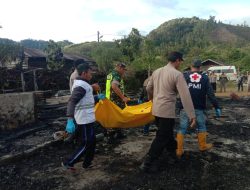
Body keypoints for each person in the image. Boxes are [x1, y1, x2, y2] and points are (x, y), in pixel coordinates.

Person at [140, 51, 196, 172]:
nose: (180, 63)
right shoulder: (177, 74)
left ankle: (173, 156)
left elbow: (149, 87)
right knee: (161, 137)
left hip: (156, 110)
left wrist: (151, 98)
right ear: (177, 60)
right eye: (181, 61)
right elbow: (185, 96)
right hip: (166, 111)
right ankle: (148, 162)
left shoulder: (157, 71)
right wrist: (192, 115)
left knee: (167, 135)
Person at [62, 64, 105, 170]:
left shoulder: (85, 85)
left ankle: (87, 163)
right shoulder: (81, 85)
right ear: (84, 73)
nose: (91, 75)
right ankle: (68, 162)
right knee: (86, 143)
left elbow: (86, 100)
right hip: (84, 119)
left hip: (88, 118)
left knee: (92, 141)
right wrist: (70, 120)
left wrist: (97, 98)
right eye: (90, 73)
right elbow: (72, 102)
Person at [176, 60, 222, 158]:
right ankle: (202, 146)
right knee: (201, 127)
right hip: (199, 107)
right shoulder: (205, 78)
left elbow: (177, 90)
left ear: (190, 66)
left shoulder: (184, 76)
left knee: (182, 128)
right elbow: (210, 94)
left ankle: (179, 150)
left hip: (185, 107)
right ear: (200, 67)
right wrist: (217, 106)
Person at [105, 62, 130, 143]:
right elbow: (114, 86)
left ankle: (119, 133)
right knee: (115, 117)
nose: (124, 71)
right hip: (115, 100)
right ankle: (111, 137)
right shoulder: (117, 75)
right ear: (119, 68)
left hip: (110, 99)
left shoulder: (111, 74)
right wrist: (123, 98)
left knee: (117, 116)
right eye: (123, 69)